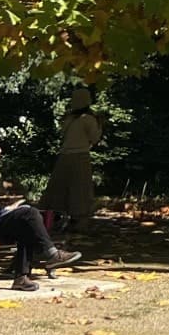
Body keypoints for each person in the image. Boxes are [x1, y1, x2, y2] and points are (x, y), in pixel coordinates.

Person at [0, 129, 80, 291]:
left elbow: (0, 198)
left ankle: (21, 278)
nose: (0, 151)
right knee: (28, 214)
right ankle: (51, 254)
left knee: (26, 223)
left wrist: (9, 202)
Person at [39, 86, 102, 232]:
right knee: (80, 190)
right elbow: (94, 138)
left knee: (59, 189)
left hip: (64, 156)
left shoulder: (69, 119)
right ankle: (79, 222)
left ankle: (53, 218)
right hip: (80, 156)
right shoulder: (88, 119)